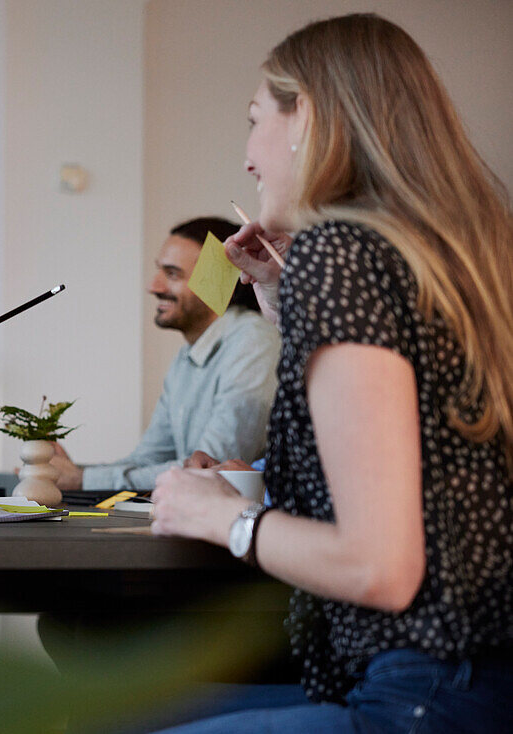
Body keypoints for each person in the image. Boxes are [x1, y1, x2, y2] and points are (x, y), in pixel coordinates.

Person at [149, 14, 513, 732]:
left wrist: (222, 517)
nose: (249, 157)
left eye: (256, 120)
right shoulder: (452, 256)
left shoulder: (337, 251)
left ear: (306, 116)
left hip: (420, 694)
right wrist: (281, 296)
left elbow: (378, 565)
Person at [50, 217, 280, 491]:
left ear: (220, 279)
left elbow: (210, 468)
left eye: (172, 274)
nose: (154, 286)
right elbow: (147, 459)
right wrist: (70, 473)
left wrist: (81, 480)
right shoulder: (186, 357)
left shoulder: (254, 341)